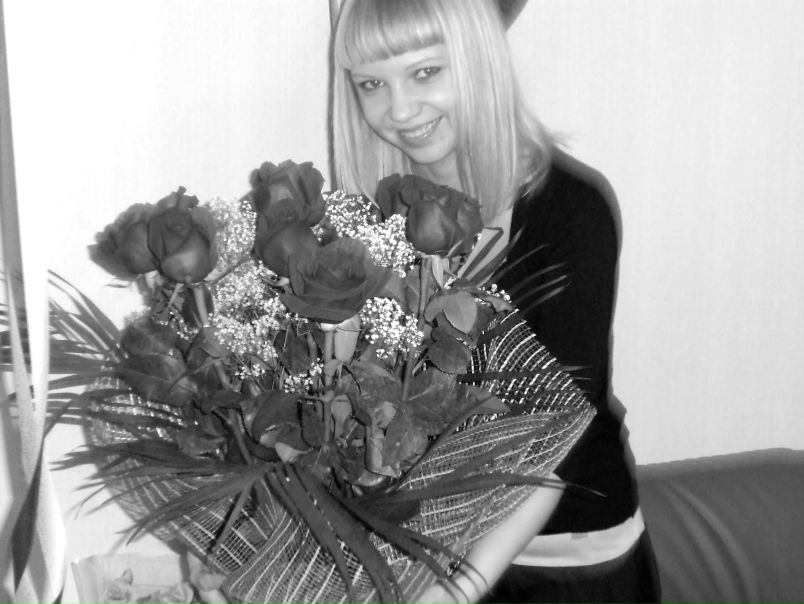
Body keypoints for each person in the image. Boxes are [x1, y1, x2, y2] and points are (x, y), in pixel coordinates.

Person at [331, 0, 661, 603]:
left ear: (478, 59)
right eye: (372, 84)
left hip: (562, 565)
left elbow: (559, 437)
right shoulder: (379, 219)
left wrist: (457, 592)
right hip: (431, 554)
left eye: (426, 72)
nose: (399, 110)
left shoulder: (570, 211)